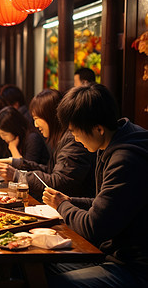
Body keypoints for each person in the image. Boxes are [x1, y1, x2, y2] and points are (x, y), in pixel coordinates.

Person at [43, 84, 148, 287]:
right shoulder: (113, 141)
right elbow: (104, 202)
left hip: (133, 268)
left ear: (98, 128)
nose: (74, 138)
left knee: (49, 281)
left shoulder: (125, 159)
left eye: (75, 131)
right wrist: (68, 201)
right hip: (113, 256)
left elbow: (94, 227)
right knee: (40, 265)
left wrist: (61, 206)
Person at [0, 89, 96, 201]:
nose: (36, 125)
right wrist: (17, 164)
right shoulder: (62, 139)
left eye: (36, 118)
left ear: (51, 116)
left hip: (75, 208)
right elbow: (50, 170)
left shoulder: (73, 140)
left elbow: (59, 182)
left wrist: (17, 175)